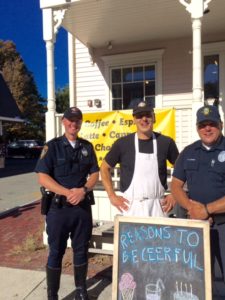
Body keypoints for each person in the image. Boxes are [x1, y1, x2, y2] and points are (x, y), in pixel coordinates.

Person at [35, 107, 99, 300]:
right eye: (70, 120)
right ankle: (52, 295)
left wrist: (83, 190)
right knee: (56, 251)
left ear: (81, 123)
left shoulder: (87, 147)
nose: (74, 124)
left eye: (77, 120)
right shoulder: (52, 146)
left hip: (81, 208)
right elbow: (42, 177)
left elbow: (95, 173)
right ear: (63, 122)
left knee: (81, 249)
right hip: (59, 209)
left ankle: (81, 290)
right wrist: (67, 192)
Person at [171, 105, 225, 290]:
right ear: (197, 128)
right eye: (203, 125)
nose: (207, 128)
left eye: (212, 124)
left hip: (223, 224)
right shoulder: (188, 152)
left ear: (221, 125)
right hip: (196, 226)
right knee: (196, 276)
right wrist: (191, 208)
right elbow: (176, 185)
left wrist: (207, 209)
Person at [100, 101, 179, 217]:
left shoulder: (166, 142)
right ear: (134, 120)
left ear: (154, 117)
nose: (144, 119)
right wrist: (112, 196)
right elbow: (104, 168)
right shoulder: (122, 144)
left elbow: (182, 169)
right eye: (139, 116)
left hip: (159, 207)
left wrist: (175, 194)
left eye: (147, 115)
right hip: (131, 207)